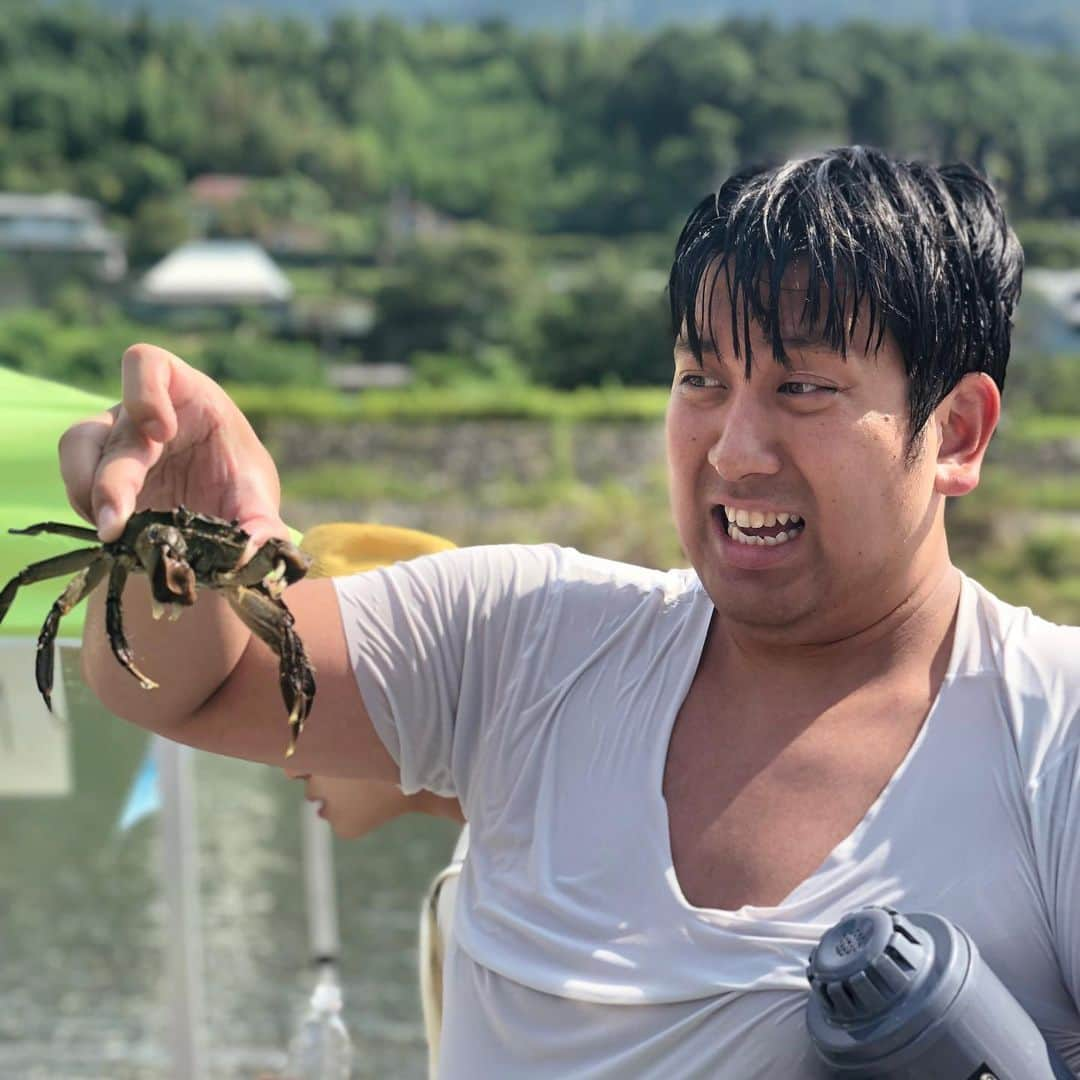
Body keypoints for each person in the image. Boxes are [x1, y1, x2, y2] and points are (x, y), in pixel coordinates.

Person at [59, 146, 1080, 1075]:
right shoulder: (524, 637)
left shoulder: (1055, 739)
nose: (733, 449)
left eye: (804, 387)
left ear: (955, 431)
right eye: (700, 379)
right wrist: (169, 534)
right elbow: (197, 686)